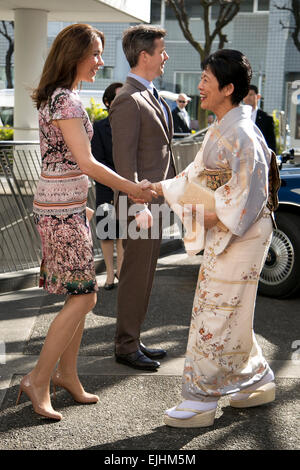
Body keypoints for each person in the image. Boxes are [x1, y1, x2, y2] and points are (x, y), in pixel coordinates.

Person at [16, 23, 154, 421]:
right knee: (85, 296)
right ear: (73, 54)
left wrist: (84, 206)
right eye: (94, 53)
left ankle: (68, 375)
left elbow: (63, 162)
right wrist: (133, 189)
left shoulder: (59, 97)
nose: (100, 61)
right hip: (61, 211)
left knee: (79, 295)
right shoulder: (68, 102)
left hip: (64, 207)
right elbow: (87, 162)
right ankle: (39, 379)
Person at [149, 49, 277, 427]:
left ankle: (201, 399)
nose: (200, 86)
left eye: (206, 79)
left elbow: (241, 204)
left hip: (245, 232)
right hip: (232, 228)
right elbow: (194, 176)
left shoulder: (241, 134)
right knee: (226, 311)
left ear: (229, 88)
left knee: (216, 313)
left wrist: (185, 210)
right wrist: (158, 189)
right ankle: (257, 377)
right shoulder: (225, 126)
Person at [109, 24, 176, 371]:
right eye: (162, 51)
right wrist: (137, 209)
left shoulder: (149, 94)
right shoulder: (127, 100)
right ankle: (125, 345)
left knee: (146, 275)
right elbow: (125, 163)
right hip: (140, 207)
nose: (166, 56)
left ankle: (132, 337)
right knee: (135, 275)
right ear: (144, 55)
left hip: (156, 205)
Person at [91, 82, 124, 290]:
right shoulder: (99, 127)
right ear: (107, 102)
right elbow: (97, 159)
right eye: (118, 98)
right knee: (106, 232)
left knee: (122, 232)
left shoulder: (130, 126)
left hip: (126, 186)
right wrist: (113, 182)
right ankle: (109, 274)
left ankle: (121, 271)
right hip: (105, 186)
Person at [243, 84, 277, 153]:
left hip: (260, 157)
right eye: (245, 95)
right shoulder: (238, 116)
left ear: (258, 97)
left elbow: (271, 144)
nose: (247, 97)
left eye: (251, 94)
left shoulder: (266, 119)